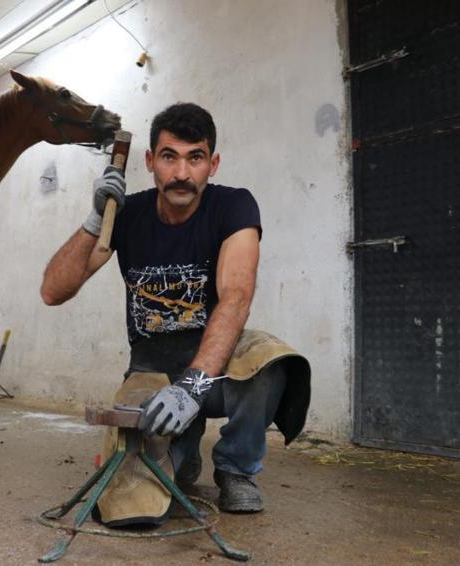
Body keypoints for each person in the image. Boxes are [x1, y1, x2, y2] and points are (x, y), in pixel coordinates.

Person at [41, 103, 302, 514]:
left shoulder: (233, 207)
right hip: (151, 372)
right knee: (132, 507)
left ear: (212, 164)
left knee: (270, 361)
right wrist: (95, 219)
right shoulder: (127, 216)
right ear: (150, 162)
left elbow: (236, 298)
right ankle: (182, 455)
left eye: (195, 158)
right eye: (169, 157)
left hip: (213, 370)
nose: (182, 173)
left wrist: (193, 389)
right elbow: (53, 290)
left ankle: (236, 469)